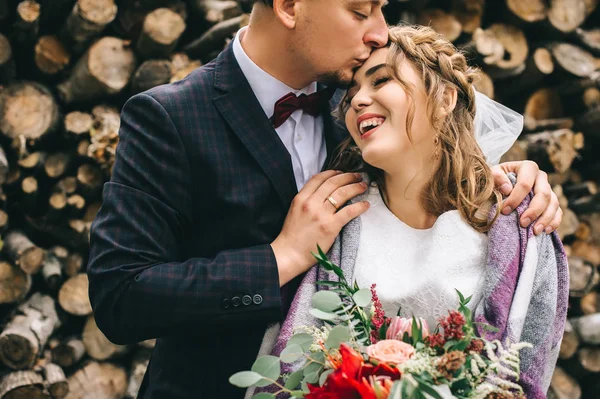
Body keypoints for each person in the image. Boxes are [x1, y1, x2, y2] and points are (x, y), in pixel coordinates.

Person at [86, 1, 563, 398]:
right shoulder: (168, 117)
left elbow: (430, 149)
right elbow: (122, 297)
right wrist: (282, 258)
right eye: (360, 11)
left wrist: (508, 178)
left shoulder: (354, 104)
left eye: (381, 10)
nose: (379, 32)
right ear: (291, 6)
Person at [262, 25, 568, 399]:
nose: (358, 100)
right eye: (353, 92)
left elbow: (527, 373)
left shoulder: (520, 227)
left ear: (444, 100)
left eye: (381, 81)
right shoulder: (333, 216)